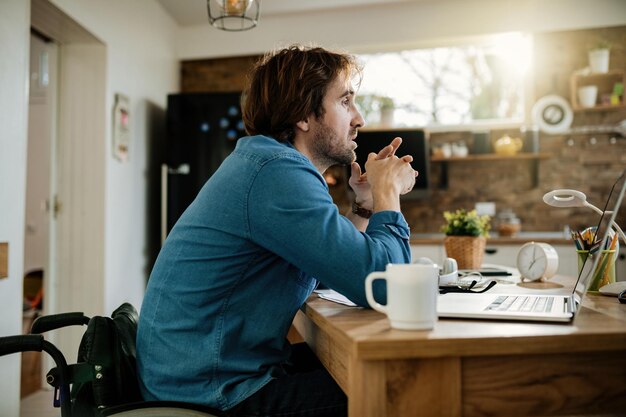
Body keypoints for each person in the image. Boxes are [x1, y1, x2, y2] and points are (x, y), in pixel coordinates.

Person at [136, 44, 418, 417]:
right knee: (404, 387)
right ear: (304, 114)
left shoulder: (269, 164)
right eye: (346, 101)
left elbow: (335, 262)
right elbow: (384, 286)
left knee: (380, 372)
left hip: (204, 375)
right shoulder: (275, 173)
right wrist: (387, 193)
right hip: (211, 392)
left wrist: (365, 205)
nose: (359, 118)